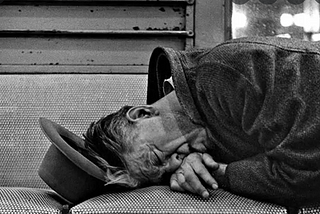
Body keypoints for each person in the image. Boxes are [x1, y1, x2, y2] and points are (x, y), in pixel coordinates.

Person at [82, 36, 320, 207]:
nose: (174, 166)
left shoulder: (224, 74)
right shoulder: (201, 128)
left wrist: (220, 174)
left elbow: (303, 177)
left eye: (156, 157)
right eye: (163, 174)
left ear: (142, 113)